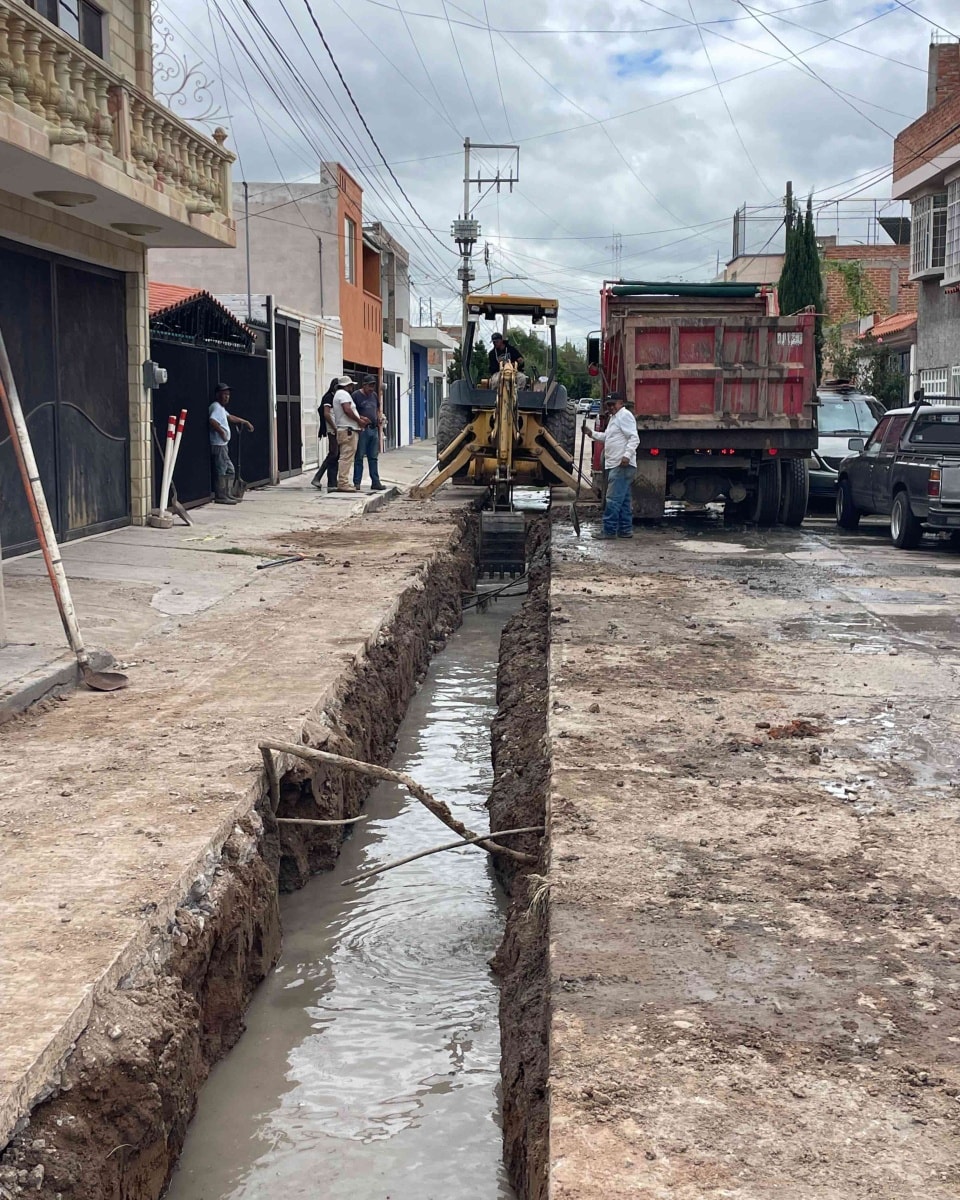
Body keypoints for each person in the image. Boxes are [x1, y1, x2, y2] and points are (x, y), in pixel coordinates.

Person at [582, 394, 639, 539]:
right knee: (624, 501)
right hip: (617, 464)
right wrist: (591, 433)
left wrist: (626, 455)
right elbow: (607, 437)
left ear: (620, 403)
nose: (610, 407)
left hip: (621, 464)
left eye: (613, 404)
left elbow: (634, 438)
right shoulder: (614, 418)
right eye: (608, 405)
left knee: (613, 499)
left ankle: (609, 531)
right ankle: (625, 530)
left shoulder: (624, 415)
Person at [208, 382, 253, 505]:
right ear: (218, 395)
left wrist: (245, 422)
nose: (227, 397)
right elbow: (212, 420)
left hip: (223, 445)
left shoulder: (221, 409)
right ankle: (221, 495)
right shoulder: (216, 407)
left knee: (230, 470)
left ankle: (228, 493)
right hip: (218, 445)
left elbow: (230, 417)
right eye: (224, 394)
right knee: (222, 470)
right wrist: (222, 432)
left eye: (228, 394)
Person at [352, 374, 385, 492]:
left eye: (373, 386)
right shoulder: (356, 396)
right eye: (370, 386)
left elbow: (377, 409)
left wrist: (379, 417)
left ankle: (375, 482)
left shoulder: (374, 395)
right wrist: (361, 418)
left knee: (373, 457)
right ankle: (357, 482)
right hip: (362, 429)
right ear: (364, 385)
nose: (371, 388)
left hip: (373, 428)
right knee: (359, 456)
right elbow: (351, 411)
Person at [331, 376, 364, 492]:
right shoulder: (343, 394)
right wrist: (359, 421)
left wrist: (360, 418)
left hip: (346, 429)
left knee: (346, 457)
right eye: (350, 385)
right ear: (346, 386)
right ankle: (343, 483)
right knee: (346, 457)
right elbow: (347, 409)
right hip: (348, 430)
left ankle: (343, 481)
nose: (352, 387)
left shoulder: (339, 394)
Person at [311, 378, 341, 490]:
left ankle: (332, 482)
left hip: (337, 428)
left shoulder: (337, 397)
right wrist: (335, 428)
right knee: (333, 453)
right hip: (332, 429)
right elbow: (326, 414)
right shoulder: (329, 397)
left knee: (336, 455)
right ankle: (318, 476)